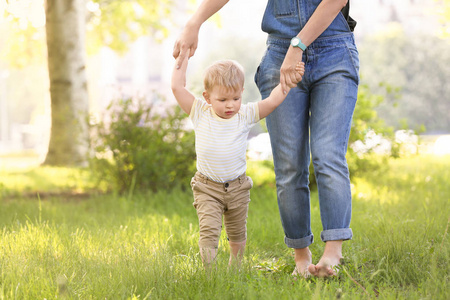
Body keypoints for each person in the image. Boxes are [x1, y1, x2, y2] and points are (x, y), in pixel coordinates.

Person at [173, 0, 359, 278]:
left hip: (334, 50)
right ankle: (301, 257)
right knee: (289, 165)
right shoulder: (205, 112)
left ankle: (332, 254)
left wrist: (298, 46)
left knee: (328, 156)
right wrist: (194, 22)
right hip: (279, 52)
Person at [171, 51, 305, 267]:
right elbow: (177, 88)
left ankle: (236, 266)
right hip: (207, 187)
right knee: (209, 230)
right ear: (207, 97)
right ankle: (210, 273)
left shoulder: (244, 114)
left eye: (235, 98)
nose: (230, 105)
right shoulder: (200, 112)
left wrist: (287, 83)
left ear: (242, 93)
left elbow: (271, 103)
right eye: (222, 100)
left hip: (238, 187)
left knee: (237, 232)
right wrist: (182, 61)